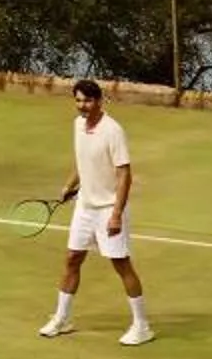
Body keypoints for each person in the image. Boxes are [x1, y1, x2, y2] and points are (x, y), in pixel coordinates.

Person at [40, 77, 152, 345]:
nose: (82, 106)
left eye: (88, 100)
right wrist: (70, 185)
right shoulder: (78, 125)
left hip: (108, 210)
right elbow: (83, 160)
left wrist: (115, 214)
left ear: (99, 101)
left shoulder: (113, 131)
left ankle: (142, 326)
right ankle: (62, 318)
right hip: (84, 208)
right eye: (78, 101)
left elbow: (124, 175)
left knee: (121, 264)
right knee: (72, 259)